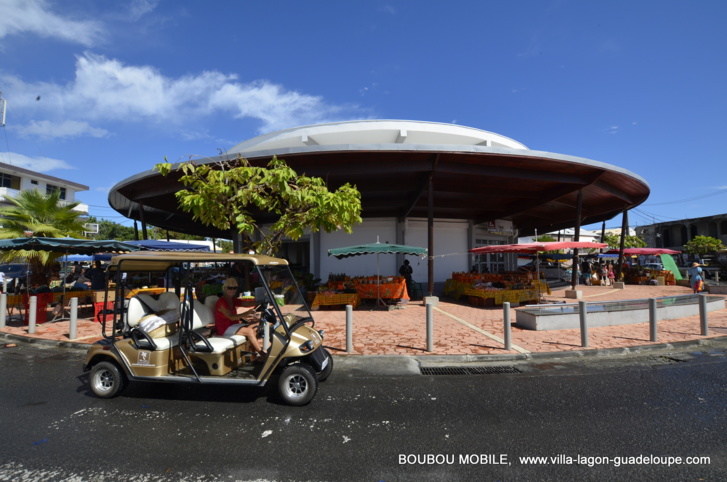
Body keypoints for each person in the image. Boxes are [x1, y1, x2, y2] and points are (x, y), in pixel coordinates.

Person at [214, 277, 266, 359]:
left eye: (234, 288)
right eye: (230, 288)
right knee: (249, 331)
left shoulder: (232, 299)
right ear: (225, 288)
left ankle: (254, 355)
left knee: (255, 328)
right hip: (224, 328)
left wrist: (261, 301)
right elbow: (231, 317)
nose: (232, 290)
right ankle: (262, 354)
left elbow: (245, 303)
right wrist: (247, 313)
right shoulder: (222, 302)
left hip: (232, 325)